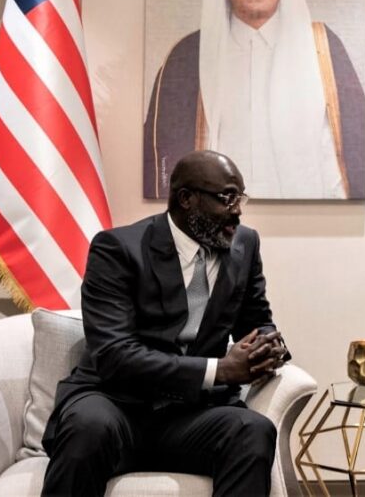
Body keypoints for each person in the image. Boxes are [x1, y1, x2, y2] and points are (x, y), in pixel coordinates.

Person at [42, 150, 290, 496]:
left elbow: (256, 319)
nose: (238, 210)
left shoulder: (243, 244)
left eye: (240, 197)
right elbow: (115, 355)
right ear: (187, 199)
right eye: (227, 198)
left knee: (253, 429)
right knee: (88, 426)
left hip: (192, 414)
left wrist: (268, 344)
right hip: (116, 403)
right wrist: (219, 370)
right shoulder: (118, 249)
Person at [144, 0, 365, 201]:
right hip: (219, 228)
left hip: (312, 221)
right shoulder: (188, 56)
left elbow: (356, 151)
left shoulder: (322, 48)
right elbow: (166, 158)